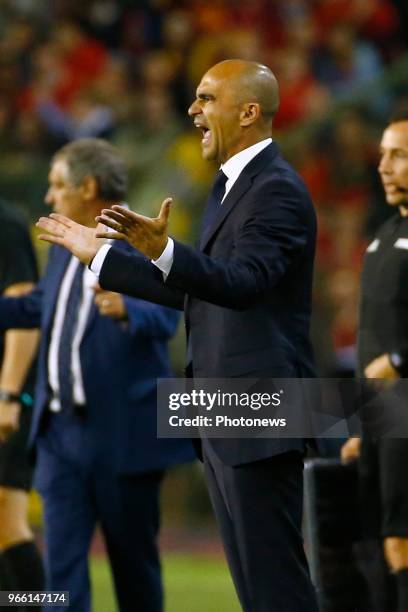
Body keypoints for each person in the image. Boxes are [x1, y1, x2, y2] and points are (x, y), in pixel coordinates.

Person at [37, 60, 318, 612]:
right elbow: (198, 293)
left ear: (249, 111)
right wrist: (104, 258)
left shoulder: (276, 190)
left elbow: (244, 283)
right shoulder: (233, 186)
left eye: (206, 99)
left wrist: (163, 251)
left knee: (275, 585)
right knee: (255, 586)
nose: (193, 111)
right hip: (223, 406)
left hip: (257, 407)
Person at [0, 138, 194, 612]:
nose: (49, 197)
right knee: (61, 576)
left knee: (135, 573)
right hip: (59, 434)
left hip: (122, 435)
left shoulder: (142, 235)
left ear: (87, 187)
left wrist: (129, 309)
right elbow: (42, 306)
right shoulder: (68, 240)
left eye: (56, 185)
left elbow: (169, 316)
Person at [341, 110, 408, 612]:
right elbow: (372, 338)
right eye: (384, 154)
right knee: (382, 545)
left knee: (401, 541)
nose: (384, 166)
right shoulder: (384, 234)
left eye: (399, 155)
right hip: (384, 417)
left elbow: (389, 352)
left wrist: (400, 360)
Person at [0, 199, 44, 596]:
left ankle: (36, 606)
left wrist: (8, 393)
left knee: (5, 519)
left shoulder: (6, 224)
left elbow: (26, 311)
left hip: (7, 395)